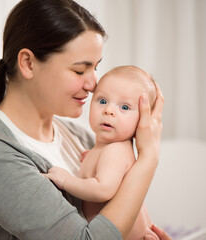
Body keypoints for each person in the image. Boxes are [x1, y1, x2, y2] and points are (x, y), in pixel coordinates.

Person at [0, 0, 170, 239]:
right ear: (28, 63)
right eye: (79, 70)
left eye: (96, 67)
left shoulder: (81, 137)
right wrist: (148, 158)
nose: (94, 84)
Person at [44, 65, 160, 240]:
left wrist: (67, 180)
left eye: (125, 107)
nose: (109, 110)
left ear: (143, 120)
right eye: (103, 101)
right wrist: (90, 158)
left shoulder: (116, 150)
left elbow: (103, 189)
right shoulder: (103, 149)